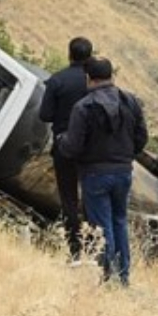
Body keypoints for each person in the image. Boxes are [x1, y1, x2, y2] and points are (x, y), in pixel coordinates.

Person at [59, 57, 148, 286]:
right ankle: (123, 275)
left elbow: (74, 146)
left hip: (95, 173)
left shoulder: (83, 107)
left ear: (89, 79)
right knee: (119, 221)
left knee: (102, 225)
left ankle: (107, 275)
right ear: (111, 76)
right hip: (124, 171)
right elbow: (141, 138)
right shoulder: (131, 102)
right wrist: (127, 154)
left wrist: (62, 142)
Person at [39, 37, 92, 261]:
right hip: (91, 149)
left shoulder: (58, 80)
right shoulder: (95, 83)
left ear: (69, 54)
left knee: (69, 198)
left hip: (64, 145)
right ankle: (94, 244)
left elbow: (45, 115)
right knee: (91, 196)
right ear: (90, 56)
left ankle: (74, 248)